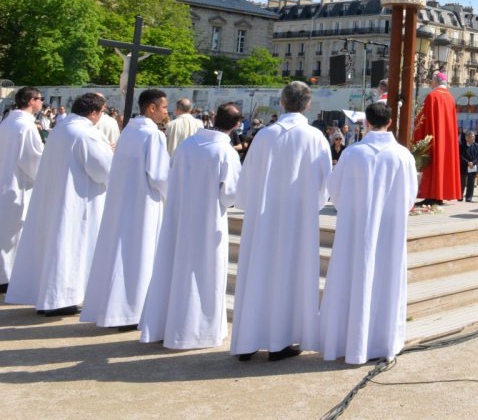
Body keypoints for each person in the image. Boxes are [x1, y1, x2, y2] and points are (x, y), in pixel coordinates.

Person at [230, 81, 332, 362]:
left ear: (282, 103)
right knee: (291, 276)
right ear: (308, 105)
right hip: (297, 219)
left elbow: (247, 179)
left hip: (263, 218)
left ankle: (248, 340)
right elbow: (325, 186)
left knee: (258, 274)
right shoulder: (315, 137)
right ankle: (281, 341)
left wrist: (251, 204)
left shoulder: (263, 136)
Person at [319, 102, 418, 364]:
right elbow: (410, 198)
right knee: (386, 280)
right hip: (390, 231)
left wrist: (354, 209)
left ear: (367, 123)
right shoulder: (403, 156)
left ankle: (347, 341)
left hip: (356, 229)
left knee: (352, 278)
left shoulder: (353, 154)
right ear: (390, 122)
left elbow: (335, 190)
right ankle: (382, 342)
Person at [139, 102, 243, 350]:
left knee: (174, 269)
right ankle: (195, 331)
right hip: (207, 221)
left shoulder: (187, 145)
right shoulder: (225, 152)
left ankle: (166, 325)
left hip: (179, 216)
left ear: (214, 117)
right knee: (204, 274)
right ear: (237, 125)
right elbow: (230, 195)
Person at [5, 93, 113, 315]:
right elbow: (103, 170)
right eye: (102, 111)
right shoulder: (86, 134)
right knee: (69, 247)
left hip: (56, 196)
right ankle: (60, 298)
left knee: (53, 246)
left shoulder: (63, 128)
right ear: (93, 112)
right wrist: (110, 152)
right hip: (76, 201)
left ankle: (48, 296)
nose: (102, 116)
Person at [82, 89, 170, 331]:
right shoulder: (153, 135)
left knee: (123, 256)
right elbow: (161, 176)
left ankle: (117, 309)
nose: (166, 112)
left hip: (123, 201)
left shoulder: (129, 130)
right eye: (164, 107)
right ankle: (133, 311)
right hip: (144, 205)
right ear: (151, 108)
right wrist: (175, 196)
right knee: (139, 257)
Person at [0, 87, 45, 293]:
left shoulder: (8, 121)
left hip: (5, 180)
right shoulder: (26, 126)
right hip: (17, 185)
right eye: (40, 99)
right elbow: (33, 160)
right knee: (12, 234)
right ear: (31, 101)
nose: (42, 103)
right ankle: (7, 277)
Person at [414, 72, 460, 206]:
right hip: (447, 140)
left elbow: (423, 119)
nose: (430, 83)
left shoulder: (432, 96)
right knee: (444, 163)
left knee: (432, 163)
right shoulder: (450, 98)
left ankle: (431, 194)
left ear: (436, 81)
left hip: (433, 136)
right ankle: (439, 195)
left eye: (432, 80)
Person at [459, 131, 478, 202]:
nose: (474, 137)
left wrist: (473, 163)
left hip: (473, 167)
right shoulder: (461, 145)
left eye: (474, 136)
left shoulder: (476, 145)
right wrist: (467, 163)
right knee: (462, 182)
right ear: (467, 138)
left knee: (471, 183)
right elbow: (460, 156)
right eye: (472, 136)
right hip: (464, 166)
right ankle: (460, 196)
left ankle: (469, 197)